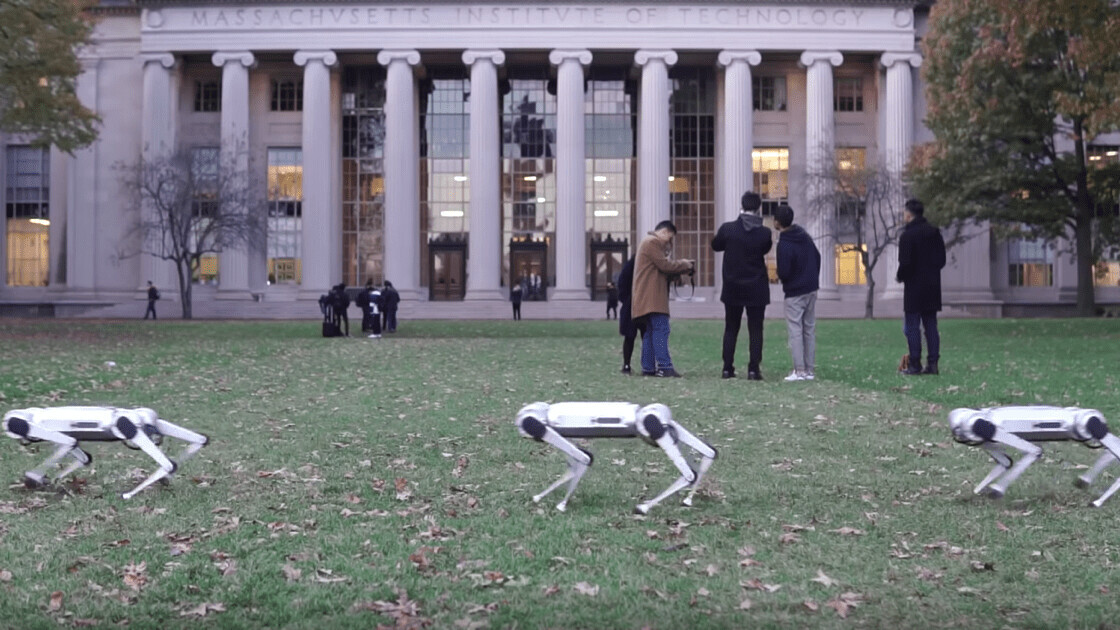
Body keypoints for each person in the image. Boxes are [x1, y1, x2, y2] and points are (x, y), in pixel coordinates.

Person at [711, 191, 773, 380]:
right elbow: (765, 249)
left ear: (742, 205)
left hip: (732, 285)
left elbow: (716, 245)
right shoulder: (764, 232)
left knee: (731, 327)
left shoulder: (728, 229)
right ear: (758, 207)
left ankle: (727, 367)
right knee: (756, 329)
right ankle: (754, 369)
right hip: (756, 286)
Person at [632, 220, 695, 378]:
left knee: (650, 332)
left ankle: (648, 368)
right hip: (653, 297)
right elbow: (664, 265)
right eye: (670, 237)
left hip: (646, 296)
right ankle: (665, 366)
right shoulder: (652, 242)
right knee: (661, 330)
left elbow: (659, 270)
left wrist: (678, 272)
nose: (669, 242)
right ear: (665, 232)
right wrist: (684, 264)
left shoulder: (646, 242)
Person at [896, 198, 946, 375]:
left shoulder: (907, 236)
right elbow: (941, 260)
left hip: (914, 287)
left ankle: (915, 364)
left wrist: (900, 276)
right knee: (930, 325)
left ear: (909, 215)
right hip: (932, 285)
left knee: (912, 326)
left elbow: (905, 263)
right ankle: (933, 364)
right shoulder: (934, 233)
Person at [774, 204, 821, 382]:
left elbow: (784, 272)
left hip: (795, 291)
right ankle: (808, 369)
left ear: (777, 222)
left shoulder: (784, 243)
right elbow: (817, 257)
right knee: (809, 329)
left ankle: (799, 370)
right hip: (811, 288)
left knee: (795, 329)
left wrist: (783, 277)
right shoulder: (805, 237)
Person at [616, 256, 647, 374]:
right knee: (635, 337)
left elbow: (622, 282)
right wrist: (627, 300)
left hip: (634, 304)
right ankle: (631, 364)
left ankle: (628, 365)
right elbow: (622, 283)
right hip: (634, 304)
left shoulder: (634, 263)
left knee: (634, 337)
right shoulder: (636, 263)